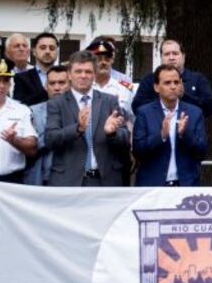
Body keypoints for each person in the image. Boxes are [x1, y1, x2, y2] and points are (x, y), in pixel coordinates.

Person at [45, 50, 130, 187]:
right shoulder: (57, 104)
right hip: (68, 181)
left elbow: (126, 139)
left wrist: (112, 133)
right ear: (69, 75)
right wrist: (77, 129)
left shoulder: (109, 101)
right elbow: (50, 139)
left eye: (88, 72)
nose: (83, 76)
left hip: (104, 181)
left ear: (95, 75)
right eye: (78, 71)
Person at [133, 64, 208, 187]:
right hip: (153, 186)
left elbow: (202, 152)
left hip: (185, 185)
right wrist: (161, 136)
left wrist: (184, 134)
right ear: (156, 87)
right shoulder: (144, 113)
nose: (173, 86)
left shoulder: (194, 113)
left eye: (176, 82)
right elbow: (138, 151)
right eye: (167, 83)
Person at [132, 39, 212, 117]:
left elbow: (210, 108)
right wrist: (164, 98)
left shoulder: (198, 79)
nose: (171, 58)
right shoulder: (150, 80)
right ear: (161, 57)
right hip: (157, 129)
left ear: (183, 56)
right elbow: (137, 107)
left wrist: (184, 96)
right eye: (167, 54)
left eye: (175, 53)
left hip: (190, 129)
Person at [23, 64, 70, 185]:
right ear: (45, 86)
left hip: (69, 178)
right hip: (37, 176)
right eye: (52, 83)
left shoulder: (80, 111)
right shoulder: (31, 112)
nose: (57, 87)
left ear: (70, 85)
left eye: (61, 83)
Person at [87, 39, 134, 119]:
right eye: (99, 59)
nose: (103, 62)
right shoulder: (85, 87)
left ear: (112, 60)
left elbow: (126, 115)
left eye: (107, 59)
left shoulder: (123, 88)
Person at [12, 32, 58, 106]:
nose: (47, 51)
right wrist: (44, 90)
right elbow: (19, 106)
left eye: (52, 48)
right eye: (43, 48)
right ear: (34, 52)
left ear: (57, 52)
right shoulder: (22, 78)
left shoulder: (67, 76)